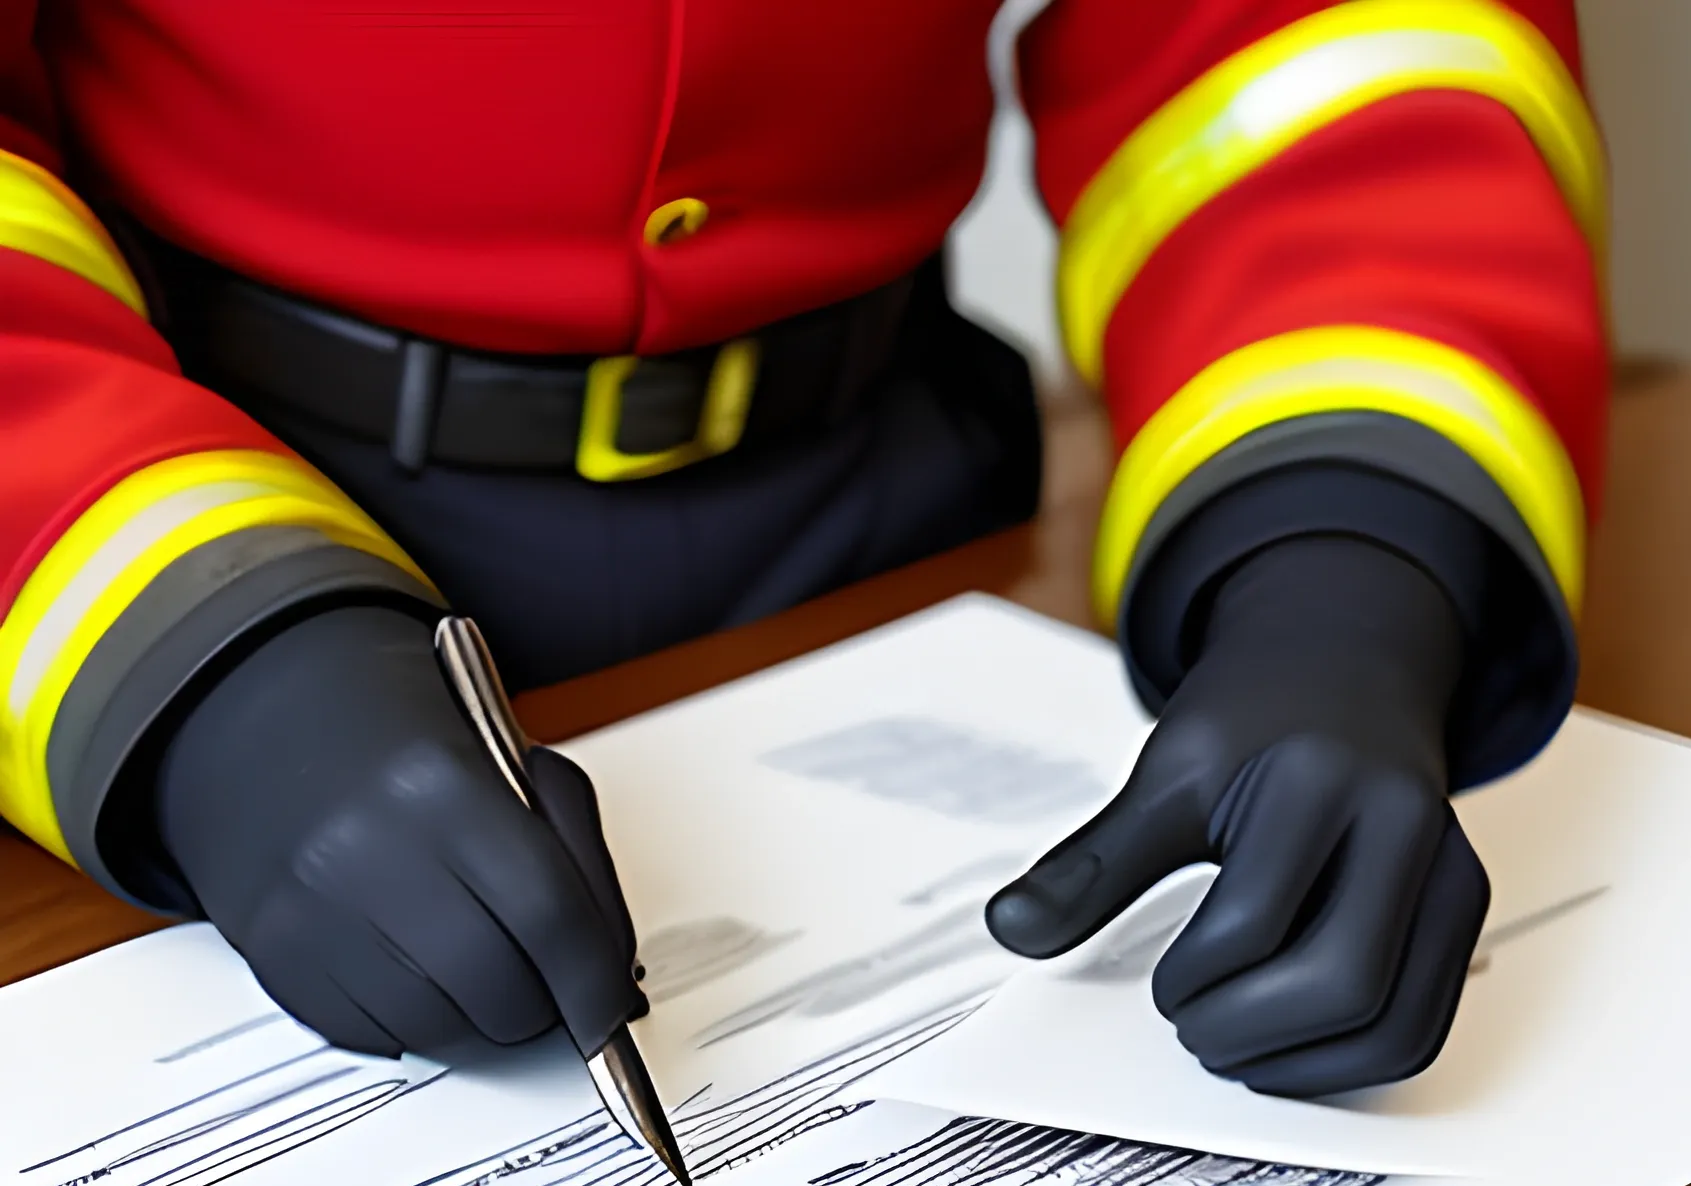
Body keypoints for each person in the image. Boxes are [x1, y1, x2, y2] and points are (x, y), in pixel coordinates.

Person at [0, 0, 1606, 1091]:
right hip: (163, 509)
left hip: (909, 534)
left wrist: (1349, 556)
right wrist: (197, 657)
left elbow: (1313, 37)